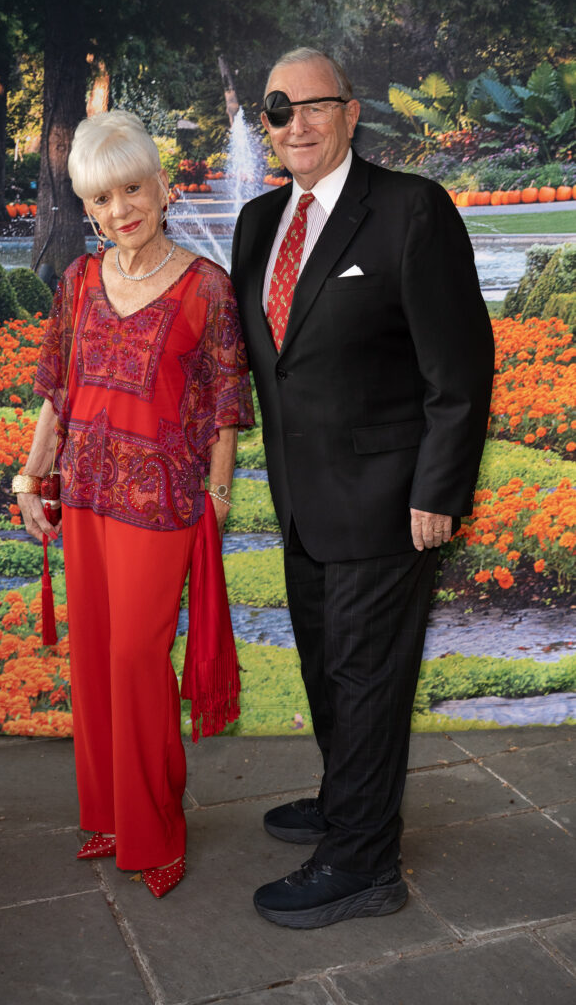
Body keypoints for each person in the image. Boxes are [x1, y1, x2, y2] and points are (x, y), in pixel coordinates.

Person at [230, 48, 494, 928]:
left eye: (314, 107)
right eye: (278, 111)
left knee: (366, 674)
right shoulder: (257, 221)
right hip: (303, 502)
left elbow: (458, 370)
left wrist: (439, 492)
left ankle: (361, 862)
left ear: (349, 115)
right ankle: (351, 799)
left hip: (389, 501)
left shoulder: (410, 210)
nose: (294, 125)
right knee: (325, 667)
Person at [13, 109, 254, 898]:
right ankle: (111, 816)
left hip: (161, 507)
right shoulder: (79, 281)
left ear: (161, 185)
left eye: (130, 188)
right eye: (101, 199)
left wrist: (217, 497)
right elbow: (58, 391)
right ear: (86, 208)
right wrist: (28, 477)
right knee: (95, 665)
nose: (120, 210)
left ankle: (159, 829)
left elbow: (224, 401)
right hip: (83, 495)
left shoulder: (206, 286)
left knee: (137, 663)